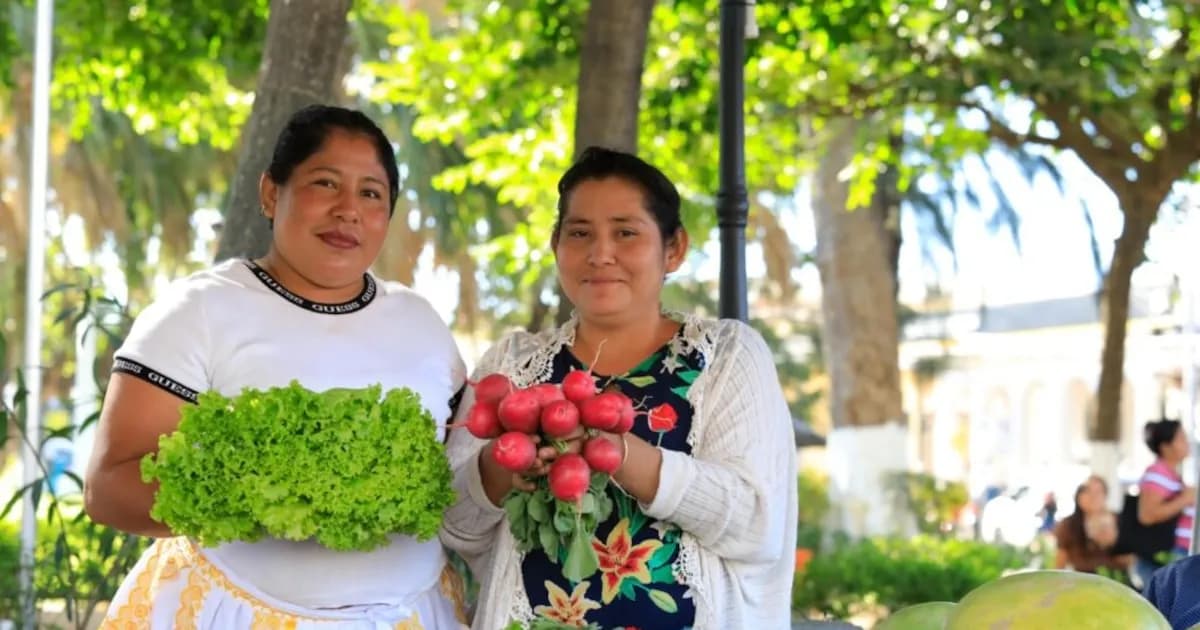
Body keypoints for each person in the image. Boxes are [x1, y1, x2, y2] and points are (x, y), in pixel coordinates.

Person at [84, 105, 468, 629]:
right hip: (232, 614)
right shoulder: (197, 311)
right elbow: (109, 488)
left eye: (371, 193)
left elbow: (456, 476)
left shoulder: (422, 323)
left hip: (415, 614)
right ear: (271, 193)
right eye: (325, 183)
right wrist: (263, 492)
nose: (348, 210)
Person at [440, 147, 798, 629]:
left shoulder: (726, 355)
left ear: (673, 249)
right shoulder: (513, 364)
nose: (600, 253)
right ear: (555, 245)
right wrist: (505, 466)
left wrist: (621, 455)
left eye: (626, 233)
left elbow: (757, 525)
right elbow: (451, 525)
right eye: (580, 233)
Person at [1134, 419, 1196, 588]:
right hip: (1165, 558)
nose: (1186, 443)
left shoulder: (1171, 475)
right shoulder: (1158, 473)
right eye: (1181, 438)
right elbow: (1147, 515)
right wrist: (1185, 499)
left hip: (1176, 556)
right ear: (1166, 446)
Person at [1053, 475, 1130, 575]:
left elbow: (1130, 561)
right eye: (1087, 491)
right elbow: (1060, 564)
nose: (1092, 496)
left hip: (1115, 582)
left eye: (1098, 492)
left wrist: (1113, 542)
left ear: (1105, 496)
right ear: (1078, 496)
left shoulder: (1119, 520)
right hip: (1082, 584)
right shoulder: (1067, 525)